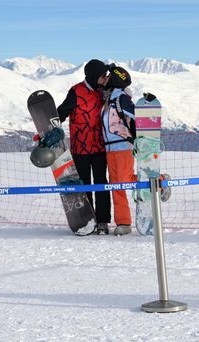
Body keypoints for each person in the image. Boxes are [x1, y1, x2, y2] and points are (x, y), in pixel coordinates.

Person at [57, 59, 111, 234]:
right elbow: (61, 113)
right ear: (95, 75)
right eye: (103, 75)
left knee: (102, 184)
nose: (106, 78)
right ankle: (88, 219)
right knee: (84, 185)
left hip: (100, 147)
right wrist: (50, 130)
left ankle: (102, 221)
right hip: (80, 148)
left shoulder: (103, 92)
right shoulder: (76, 91)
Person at [101, 66, 135, 236]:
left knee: (125, 180)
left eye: (108, 77)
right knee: (117, 186)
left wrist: (138, 140)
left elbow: (137, 119)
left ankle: (159, 182)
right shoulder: (108, 100)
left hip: (123, 147)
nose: (105, 79)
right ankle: (123, 222)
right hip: (110, 150)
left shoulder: (122, 99)